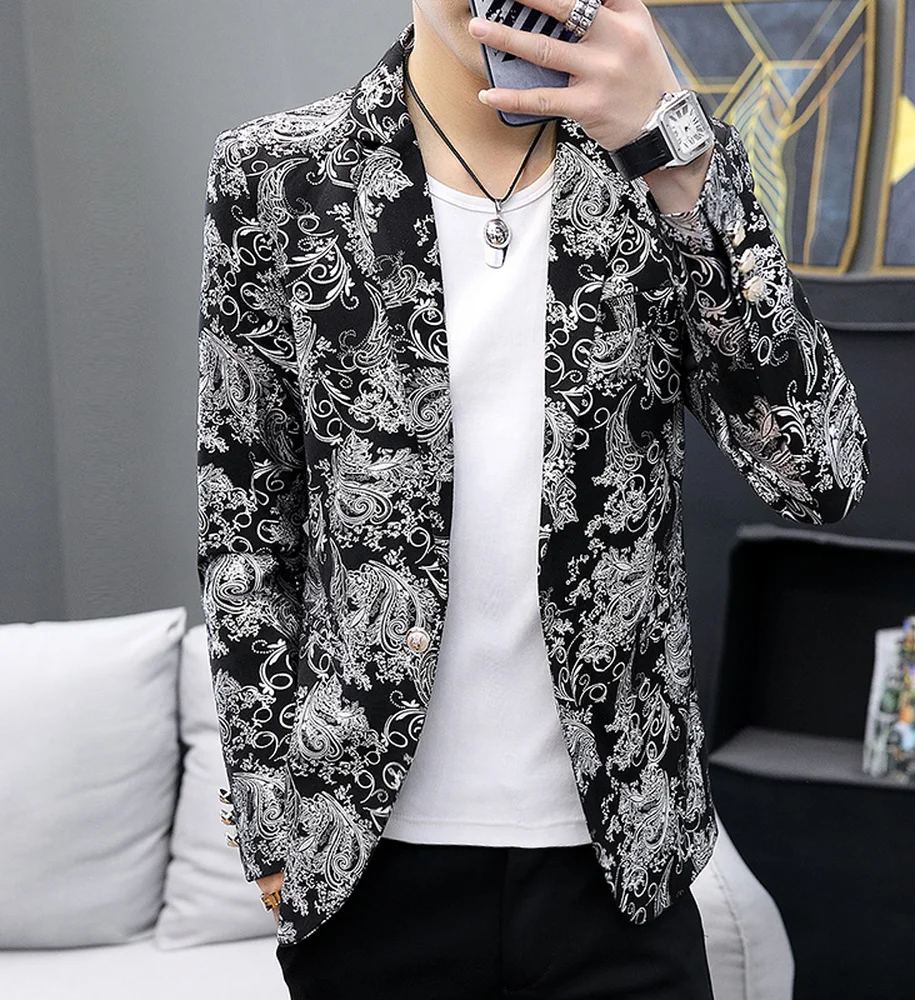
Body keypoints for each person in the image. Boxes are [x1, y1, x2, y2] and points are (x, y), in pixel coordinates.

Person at [195, 1, 870, 997]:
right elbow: (244, 523)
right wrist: (268, 821)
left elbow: (820, 474)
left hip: (618, 864)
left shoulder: (660, 169)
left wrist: (677, 158)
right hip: (367, 868)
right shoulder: (277, 175)